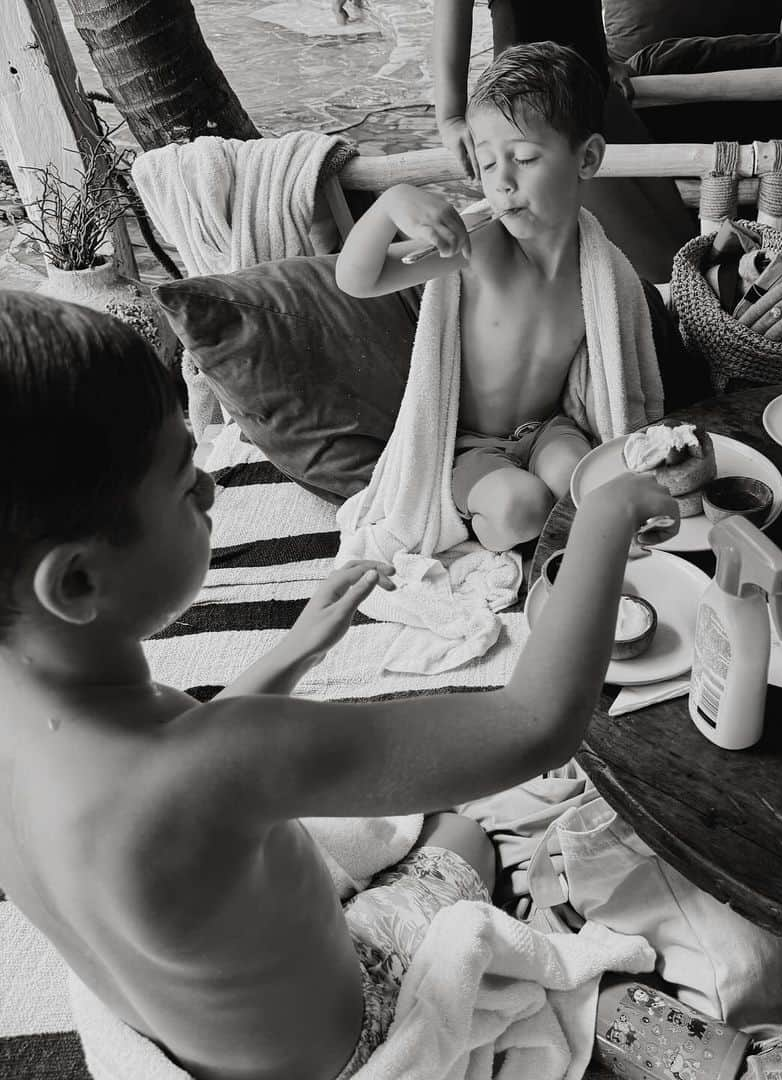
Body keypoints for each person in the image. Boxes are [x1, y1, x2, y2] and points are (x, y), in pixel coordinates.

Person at [0, 291, 678, 1080]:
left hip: (191, 1027)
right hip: (337, 1047)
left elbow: (167, 769)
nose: (213, 492)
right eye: (189, 482)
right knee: (463, 837)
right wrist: (605, 514)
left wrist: (295, 649)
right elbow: (535, 724)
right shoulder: (225, 760)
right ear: (78, 580)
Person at [337, 42, 656, 553]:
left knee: (591, 484)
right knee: (520, 506)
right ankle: (482, 519)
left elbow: (622, 380)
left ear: (587, 158)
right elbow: (358, 280)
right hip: (472, 446)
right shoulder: (474, 248)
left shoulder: (603, 272)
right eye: (487, 164)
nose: (502, 182)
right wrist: (392, 205)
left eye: (524, 158)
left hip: (549, 431)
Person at [431, 0, 694, 283]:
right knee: (658, 265)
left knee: (684, 240)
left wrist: (604, 59)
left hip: (594, 87)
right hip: (534, 109)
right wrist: (450, 117)